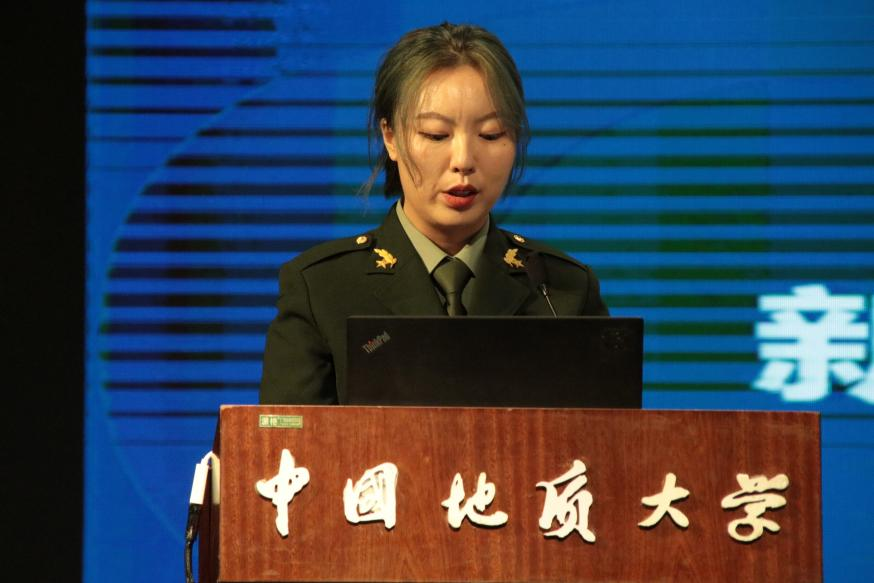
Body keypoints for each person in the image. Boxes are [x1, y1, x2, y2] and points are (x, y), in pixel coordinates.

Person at [260, 22, 608, 405]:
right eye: (436, 135)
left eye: (491, 134)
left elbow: (612, 438)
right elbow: (281, 440)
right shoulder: (322, 288)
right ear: (390, 137)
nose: (463, 160)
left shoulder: (562, 291)